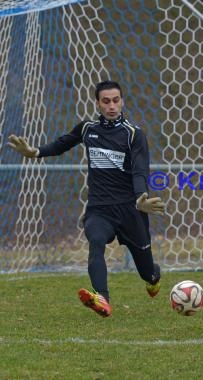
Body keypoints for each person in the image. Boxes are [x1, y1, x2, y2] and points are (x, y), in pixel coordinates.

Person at [7, 80, 165, 318]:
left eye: (116, 100)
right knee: (96, 244)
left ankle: (154, 276)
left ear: (122, 101)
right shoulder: (87, 129)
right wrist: (35, 152)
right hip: (99, 209)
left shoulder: (134, 134)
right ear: (98, 103)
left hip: (131, 210)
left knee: (147, 273)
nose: (112, 106)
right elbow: (62, 144)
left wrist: (141, 197)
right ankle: (102, 298)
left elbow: (141, 170)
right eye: (106, 101)